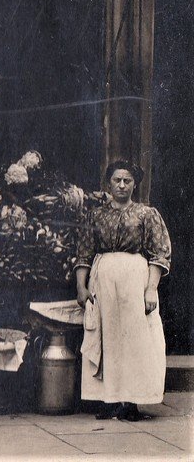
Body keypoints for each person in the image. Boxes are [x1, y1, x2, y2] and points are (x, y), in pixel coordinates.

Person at [75, 159, 171, 422]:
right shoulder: (96, 215)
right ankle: (109, 399)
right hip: (103, 278)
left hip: (135, 278)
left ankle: (131, 401)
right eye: (116, 180)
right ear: (108, 183)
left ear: (134, 184)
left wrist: (151, 289)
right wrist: (81, 287)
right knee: (106, 336)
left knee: (135, 338)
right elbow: (84, 253)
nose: (121, 185)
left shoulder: (146, 214)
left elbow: (159, 254)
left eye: (127, 180)